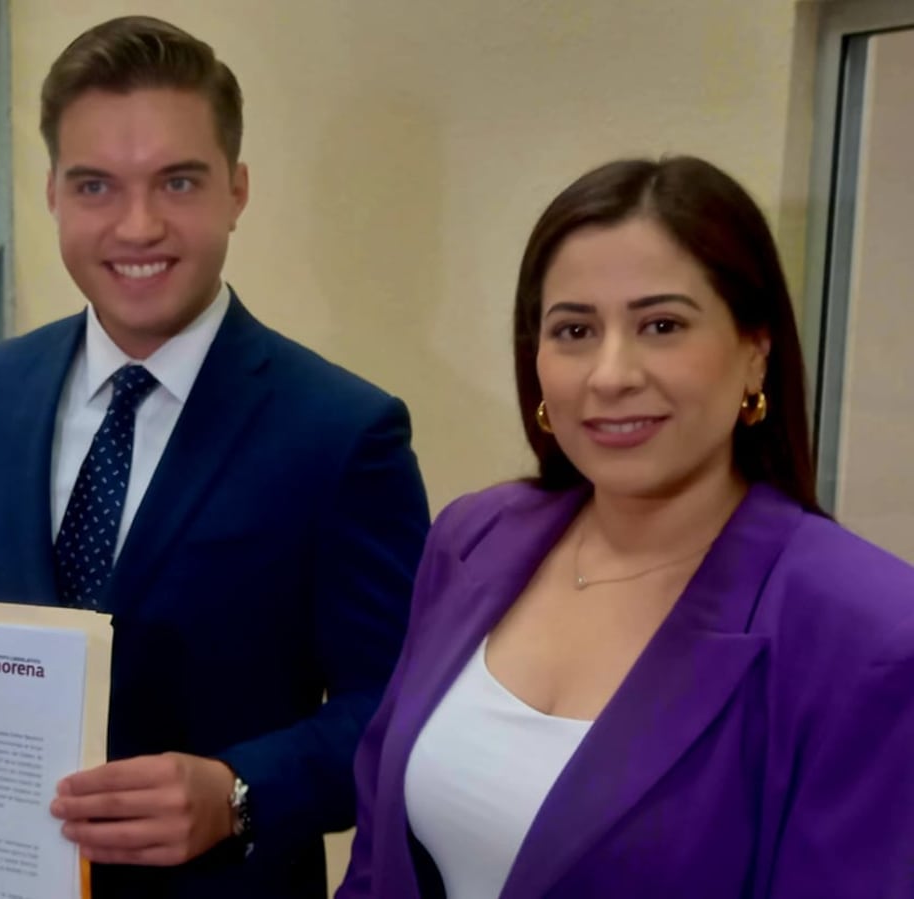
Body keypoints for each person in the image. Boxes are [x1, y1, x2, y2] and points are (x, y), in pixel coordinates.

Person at [0, 16, 430, 899]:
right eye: (96, 185)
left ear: (236, 191)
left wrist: (239, 791)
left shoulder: (339, 430)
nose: (138, 226)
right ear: (53, 191)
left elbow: (397, 706)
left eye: (177, 181)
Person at [336, 156, 914, 899]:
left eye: (660, 325)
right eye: (573, 329)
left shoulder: (869, 629)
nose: (609, 374)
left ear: (754, 351)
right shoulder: (472, 536)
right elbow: (379, 863)